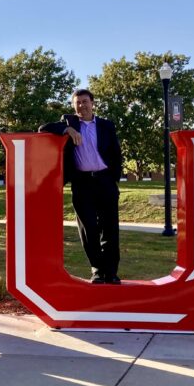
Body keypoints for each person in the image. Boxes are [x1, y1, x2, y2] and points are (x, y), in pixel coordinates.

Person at [38, 89, 123, 284]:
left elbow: (116, 153)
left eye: (85, 102)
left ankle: (111, 272)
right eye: (77, 103)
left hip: (105, 182)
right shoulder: (69, 123)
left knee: (110, 229)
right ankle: (97, 271)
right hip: (82, 183)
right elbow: (43, 128)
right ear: (73, 105)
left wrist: (113, 178)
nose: (81, 106)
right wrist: (67, 130)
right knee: (88, 229)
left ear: (93, 103)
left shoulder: (106, 125)